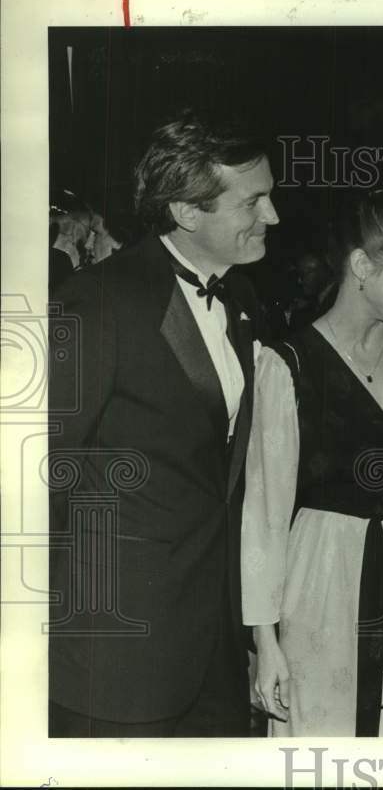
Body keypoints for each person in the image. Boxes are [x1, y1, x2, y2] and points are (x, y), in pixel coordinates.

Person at [48, 112, 279, 736]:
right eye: (254, 201)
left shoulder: (242, 301)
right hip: (115, 654)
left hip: (213, 648)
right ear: (186, 211)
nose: (273, 217)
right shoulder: (97, 299)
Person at [242, 189, 383, 736]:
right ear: (362, 265)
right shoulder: (288, 365)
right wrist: (265, 645)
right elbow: (263, 517)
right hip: (320, 579)